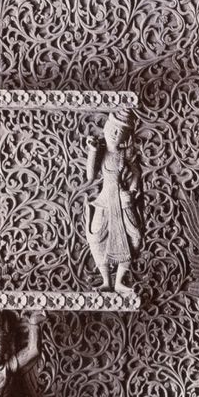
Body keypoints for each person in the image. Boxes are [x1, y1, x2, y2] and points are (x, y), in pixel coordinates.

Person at [82, 110, 144, 291]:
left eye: (120, 132)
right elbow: (90, 176)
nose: (115, 134)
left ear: (125, 137)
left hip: (122, 199)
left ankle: (120, 281)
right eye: (113, 129)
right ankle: (106, 281)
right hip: (104, 200)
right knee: (96, 236)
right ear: (106, 128)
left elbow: (136, 173)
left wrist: (132, 190)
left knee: (135, 235)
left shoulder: (125, 154)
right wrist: (92, 151)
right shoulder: (101, 151)